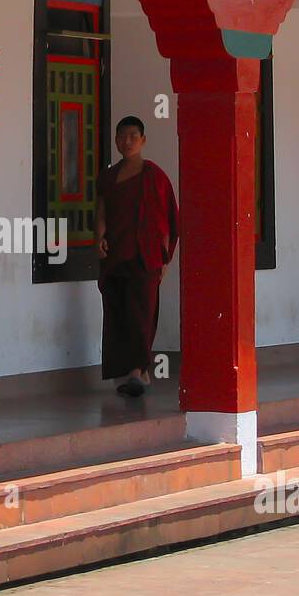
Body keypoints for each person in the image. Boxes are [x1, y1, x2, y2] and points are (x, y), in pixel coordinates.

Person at [95, 116, 180, 396]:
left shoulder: (154, 176)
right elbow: (103, 210)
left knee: (142, 314)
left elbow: (166, 218)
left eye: (133, 136)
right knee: (118, 312)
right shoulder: (109, 176)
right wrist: (99, 237)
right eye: (122, 136)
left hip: (146, 257)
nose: (127, 141)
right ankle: (132, 372)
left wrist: (165, 257)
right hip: (116, 255)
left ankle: (137, 370)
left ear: (143, 140)